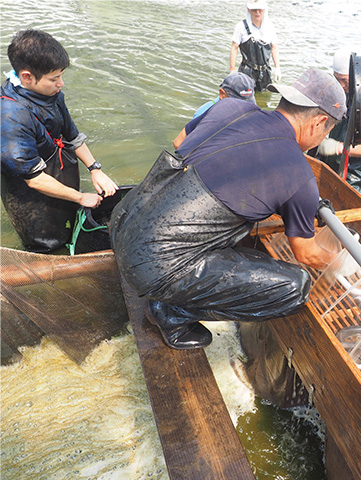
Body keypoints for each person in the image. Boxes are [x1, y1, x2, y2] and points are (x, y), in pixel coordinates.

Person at [110, 67, 346, 350]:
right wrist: (344, 264)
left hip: (123, 224)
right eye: (326, 131)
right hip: (153, 269)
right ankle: (173, 312)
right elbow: (306, 253)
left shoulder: (230, 107)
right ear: (317, 123)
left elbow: (181, 143)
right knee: (295, 287)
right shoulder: (297, 172)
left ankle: (171, 294)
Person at [1, 29, 118, 253]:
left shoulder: (51, 94)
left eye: (61, 76)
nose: (61, 84)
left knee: (69, 220)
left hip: (58, 168)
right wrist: (80, 196)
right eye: (54, 78)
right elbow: (33, 179)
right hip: (30, 192)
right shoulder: (10, 116)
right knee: (46, 242)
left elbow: (72, 136)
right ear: (27, 76)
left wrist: (95, 169)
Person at [315, 47, 361, 195]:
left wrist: (339, 148)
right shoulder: (342, 91)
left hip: (354, 171)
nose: (341, 85)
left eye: (344, 80)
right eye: (337, 79)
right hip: (332, 159)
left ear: (356, 77)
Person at [173, 72, 256, 149]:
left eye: (248, 104)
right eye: (238, 104)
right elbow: (179, 144)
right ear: (222, 94)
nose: (243, 108)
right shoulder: (204, 113)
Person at [229, 0, 281, 91]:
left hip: (265, 73)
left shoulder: (270, 27)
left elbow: (274, 47)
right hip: (247, 71)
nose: (257, 12)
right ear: (249, 10)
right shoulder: (241, 27)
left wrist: (277, 68)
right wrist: (232, 69)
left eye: (260, 9)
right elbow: (234, 48)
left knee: (264, 98)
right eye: (254, 10)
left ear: (264, 9)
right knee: (245, 98)